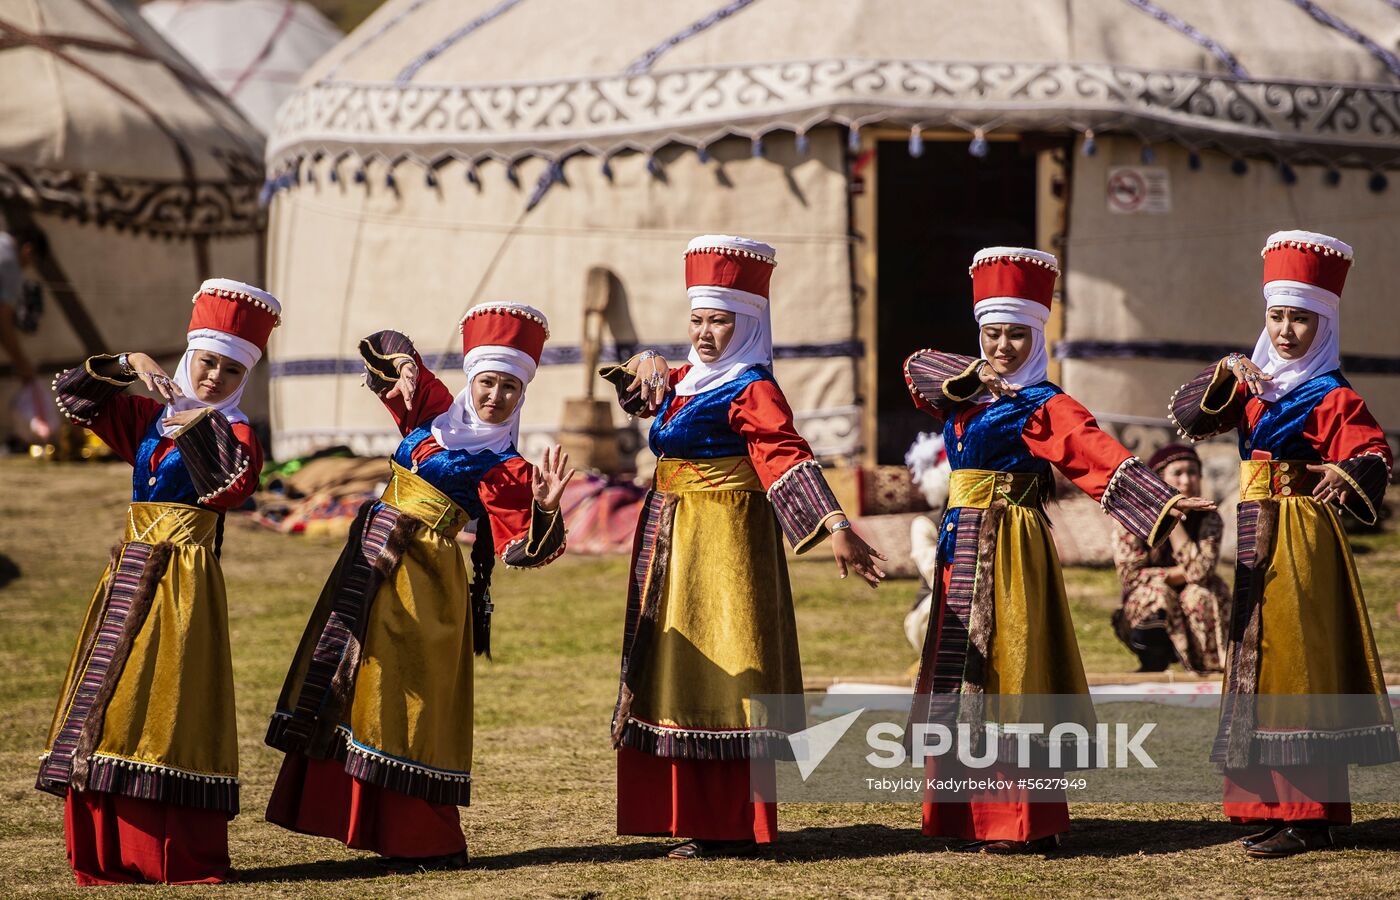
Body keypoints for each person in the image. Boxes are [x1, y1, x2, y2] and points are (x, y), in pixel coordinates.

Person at [904, 247, 1212, 855]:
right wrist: (973, 376)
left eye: (1017, 335)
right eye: (992, 334)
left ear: (1038, 335)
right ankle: (963, 815)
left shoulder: (1042, 402)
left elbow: (1093, 448)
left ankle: (1019, 818)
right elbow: (917, 366)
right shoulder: (960, 393)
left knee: (1015, 674)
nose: (1002, 347)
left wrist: (1162, 502)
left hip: (1013, 545)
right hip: (959, 545)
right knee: (962, 676)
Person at [600, 234, 885, 859]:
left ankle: (731, 822)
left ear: (748, 322)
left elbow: (783, 451)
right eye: (697, 320)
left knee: (728, 672)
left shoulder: (751, 387)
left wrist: (835, 525)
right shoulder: (691, 377)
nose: (705, 333)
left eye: (720, 321)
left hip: (725, 541)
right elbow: (641, 389)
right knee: (680, 669)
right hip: (673, 537)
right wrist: (643, 357)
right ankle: (689, 814)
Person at [264, 302, 572, 871]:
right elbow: (379, 341)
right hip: (366, 563)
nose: (495, 396)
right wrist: (402, 359)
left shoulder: (507, 465)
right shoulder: (430, 406)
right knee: (352, 682)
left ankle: (419, 834)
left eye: (510, 386)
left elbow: (521, 550)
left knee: (406, 697)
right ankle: (342, 813)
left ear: (522, 394)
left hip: (425, 581)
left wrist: (546, 509)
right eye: (487, 381)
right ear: (470, 378)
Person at [37, 278, 277, 884]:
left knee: (167, 707)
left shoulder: (236, 431)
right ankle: (107, 846)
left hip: (184, 584)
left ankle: (166, 847)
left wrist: (195, 421)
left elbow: (231, 485)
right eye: (206, 362)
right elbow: (76, 394)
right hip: (129, 571)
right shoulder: (148, 416)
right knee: (110, 703)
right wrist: (129, 362)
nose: (214, 377)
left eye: (229, 369)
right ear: (188, 356)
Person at [1168, 230, 1395, 859]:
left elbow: (1373, 450)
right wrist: (1224, 372)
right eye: (1278, 315)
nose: (1288, 329)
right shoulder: (1253, 386)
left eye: (1302, 318)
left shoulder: (1330, 392)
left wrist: (1342, 472)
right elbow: (1190, 418)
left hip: (1299, 537)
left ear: (1324, 323)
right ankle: (1264, 806)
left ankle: (1310, 815)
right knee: (1254, 665)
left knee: (1294, 667)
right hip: (1252, 535)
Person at [1111, 443, 1230, 673]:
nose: (1186, 481)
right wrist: (1164, 510)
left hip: (1193, 598)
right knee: (1157, 595)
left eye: (1193, 472)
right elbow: (1130, 576)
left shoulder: (1209, 518)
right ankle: (1153, 660)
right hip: (1150, 602)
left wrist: (1174, 523)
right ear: (1159, 481)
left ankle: (1207, 668)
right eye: (1178, 473)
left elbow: (1199, 574)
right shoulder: (1133, 519)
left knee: (1200, 593)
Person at [0, 225, 45, 383]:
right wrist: (22, 363)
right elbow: (2, 319)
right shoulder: (10, 263)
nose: (29, 265)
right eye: (33, 260)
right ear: (28, 250)